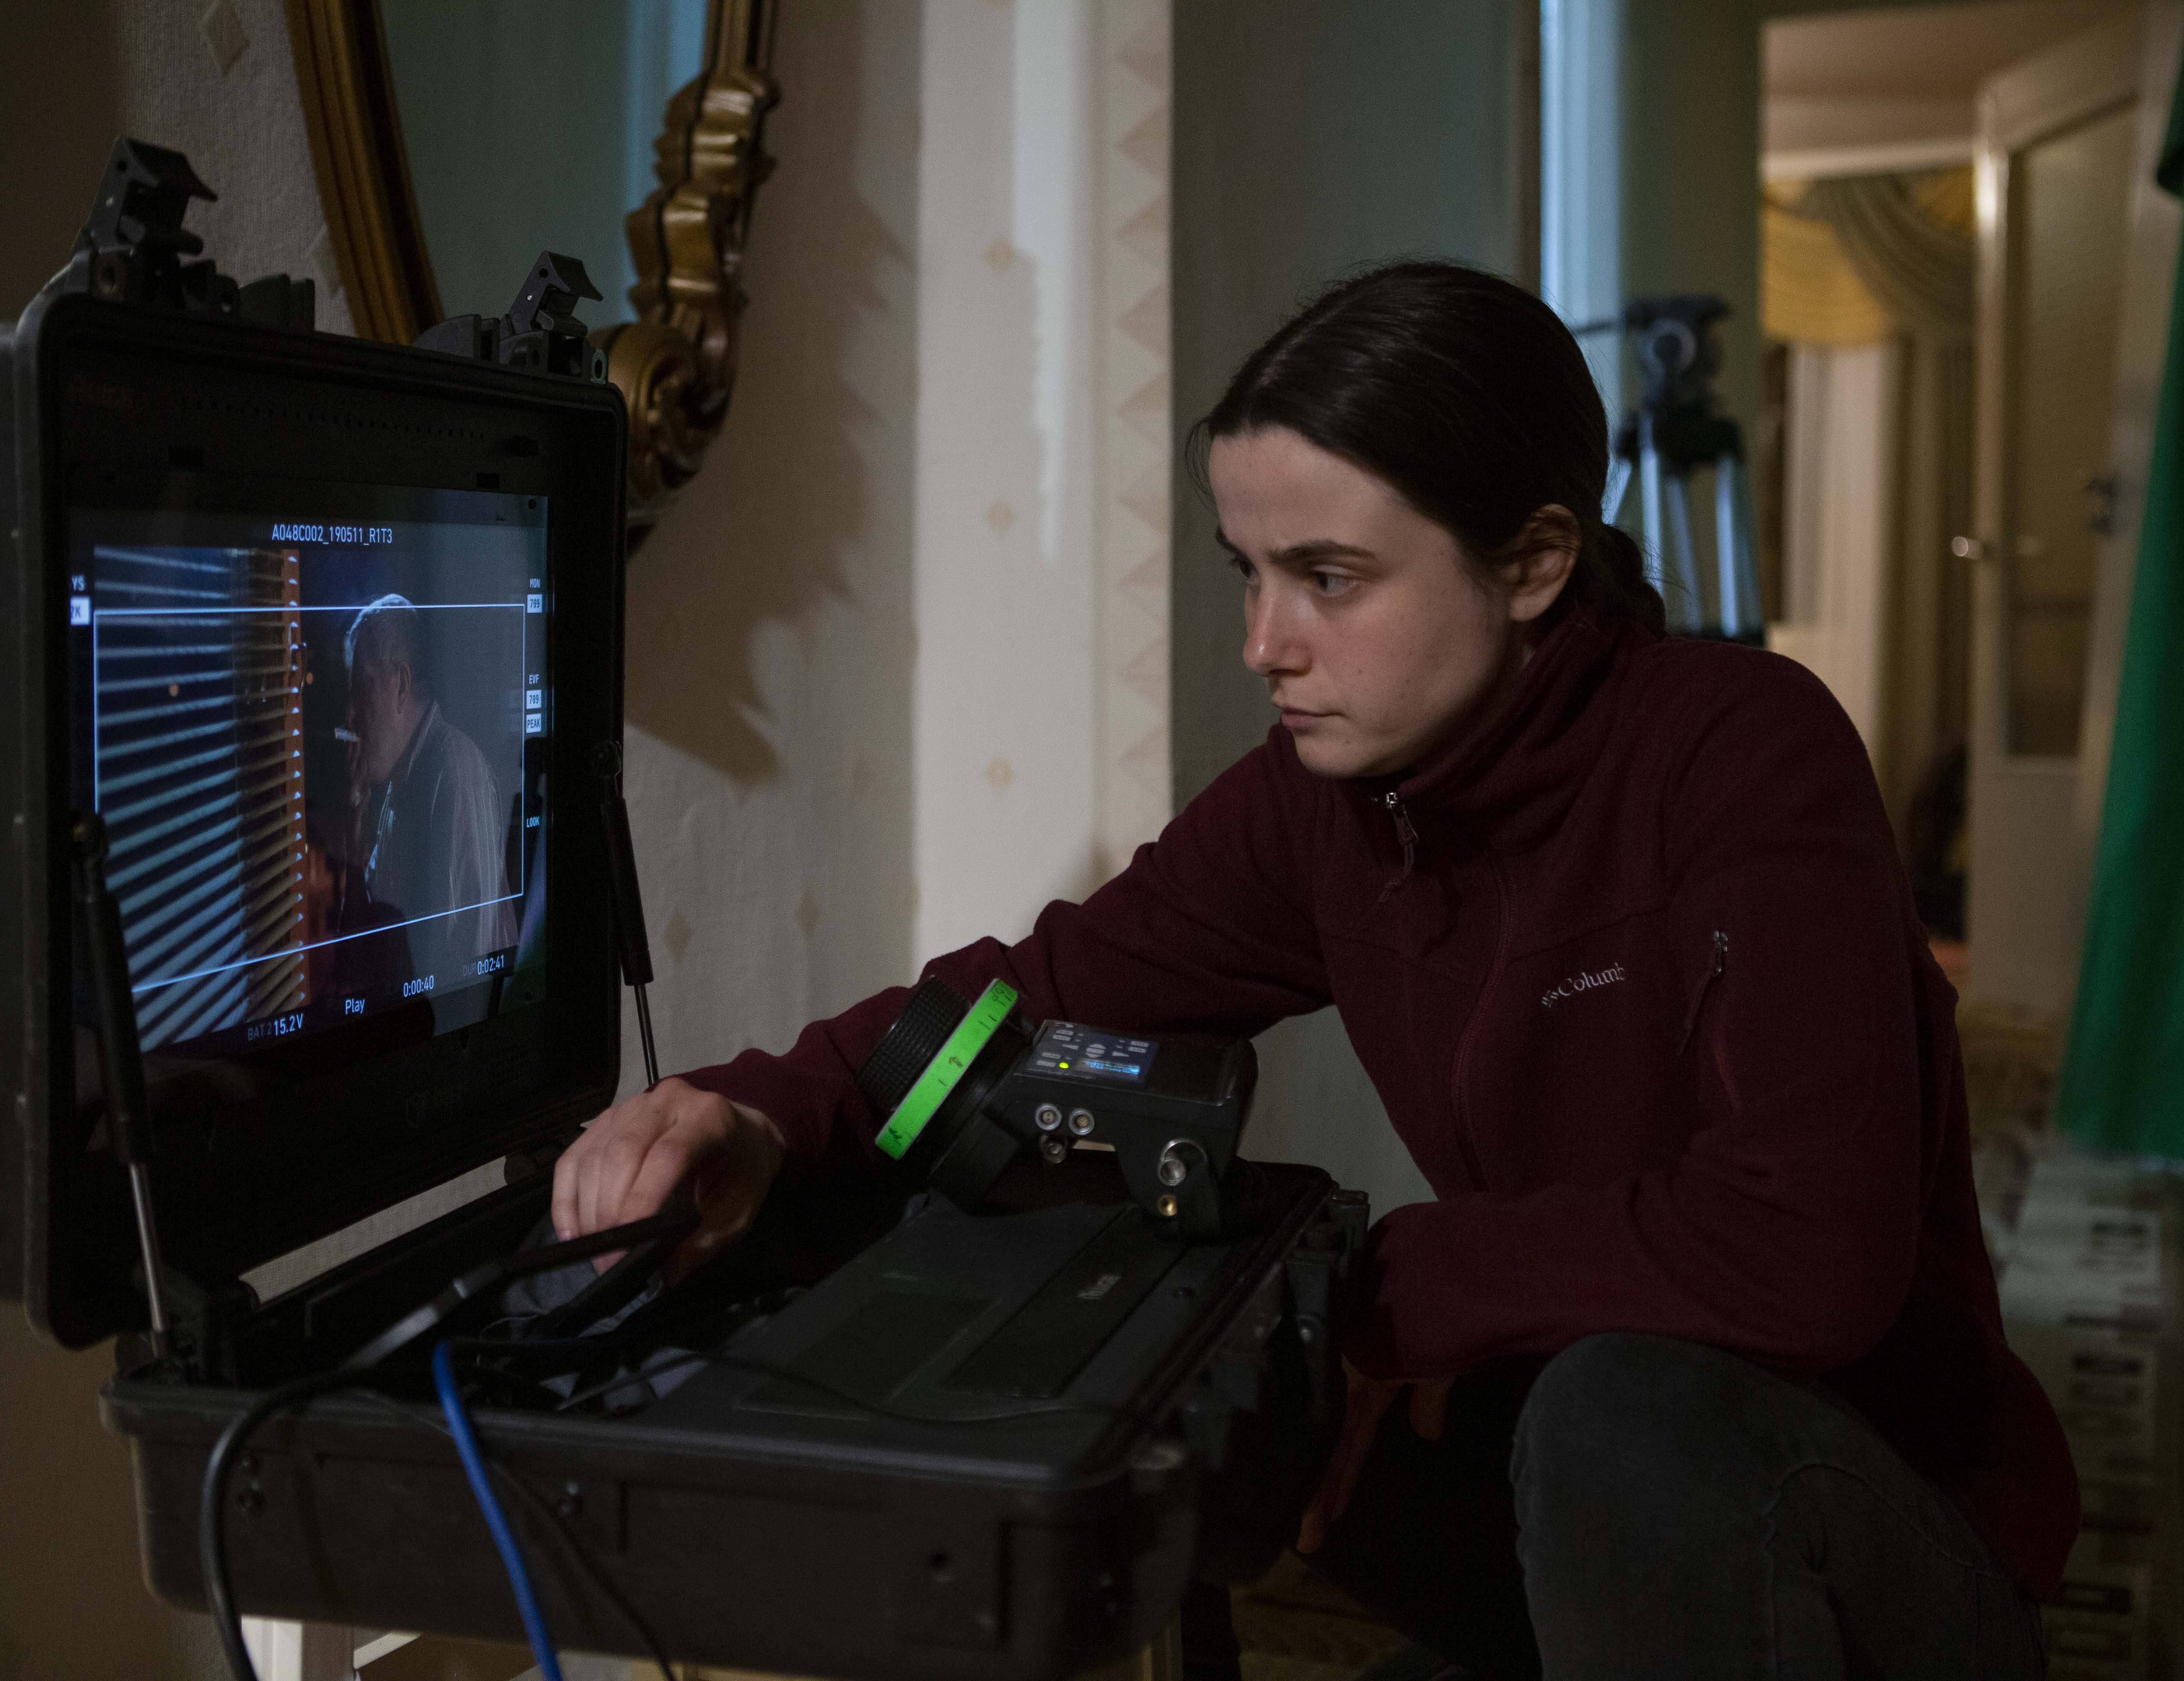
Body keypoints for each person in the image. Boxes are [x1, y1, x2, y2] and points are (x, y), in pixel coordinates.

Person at [547, 263, 2076, 1677]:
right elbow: (1041, 998)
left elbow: (1809, 1249)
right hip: (1595, 1471)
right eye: (1251, 572)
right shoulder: (1329, 804)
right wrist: (755, 1111)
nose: (1264, 642)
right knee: (1239, 1379)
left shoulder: (1742, 748)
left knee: (1616, 1406)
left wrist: (1381, 1285)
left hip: (1866, 1525)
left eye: (1329, 578)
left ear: (1536, 560)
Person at [341, 594, 517, 981]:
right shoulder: (398, 782)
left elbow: (464, 968)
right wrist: (354, 838)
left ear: (402, 685)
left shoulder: (454, 769)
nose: (350, 715)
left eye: (362, 689)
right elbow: (369, 946)